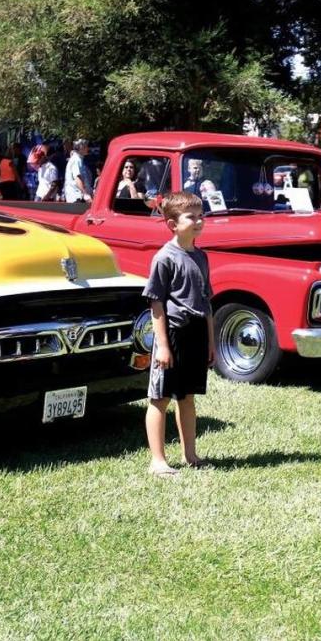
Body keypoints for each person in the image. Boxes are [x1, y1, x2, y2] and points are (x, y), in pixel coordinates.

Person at [142, 191, 215, 477]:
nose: (199, 221)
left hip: (196, 333)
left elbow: (206, 302)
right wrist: (162, 346)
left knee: (187, 396)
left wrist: (210, 341)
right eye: (191, 217)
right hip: (172, 334)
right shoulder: (164, 258)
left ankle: (190, 455)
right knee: (160, 397)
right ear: (172, 224)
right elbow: (156, 303)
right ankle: (157, 460)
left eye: (201, 216)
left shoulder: (202, 256)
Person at [64, 138, 93, 203]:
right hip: (77, 197)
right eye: (86, 146)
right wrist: (85, 194)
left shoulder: (79, 160)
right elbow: (77, 178)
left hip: (79, 196)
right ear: (81, 148)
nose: (88, 148)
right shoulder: (76, 160)